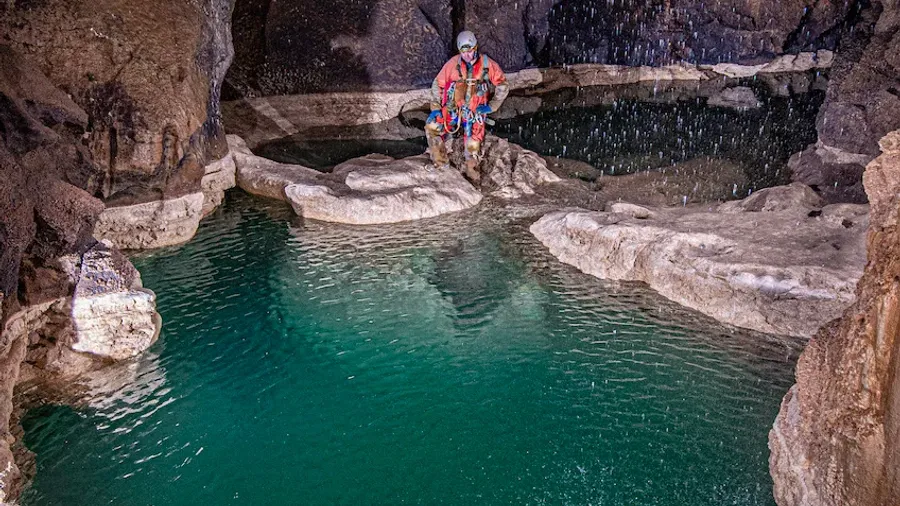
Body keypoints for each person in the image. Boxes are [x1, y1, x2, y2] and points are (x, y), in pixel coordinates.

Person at [425, 30, 509, 183]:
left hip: (474, 110)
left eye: (470, 51)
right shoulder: (453, 64)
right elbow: (437, 85)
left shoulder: (486, 64)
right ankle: (440, 163)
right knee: (432, 127)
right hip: (454, 108)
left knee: (472, 147)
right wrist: (436, 107)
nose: (468, 56)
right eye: (464, 52)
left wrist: (492, 106)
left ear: (475, 48)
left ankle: (471, 171)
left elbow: (502, 84)